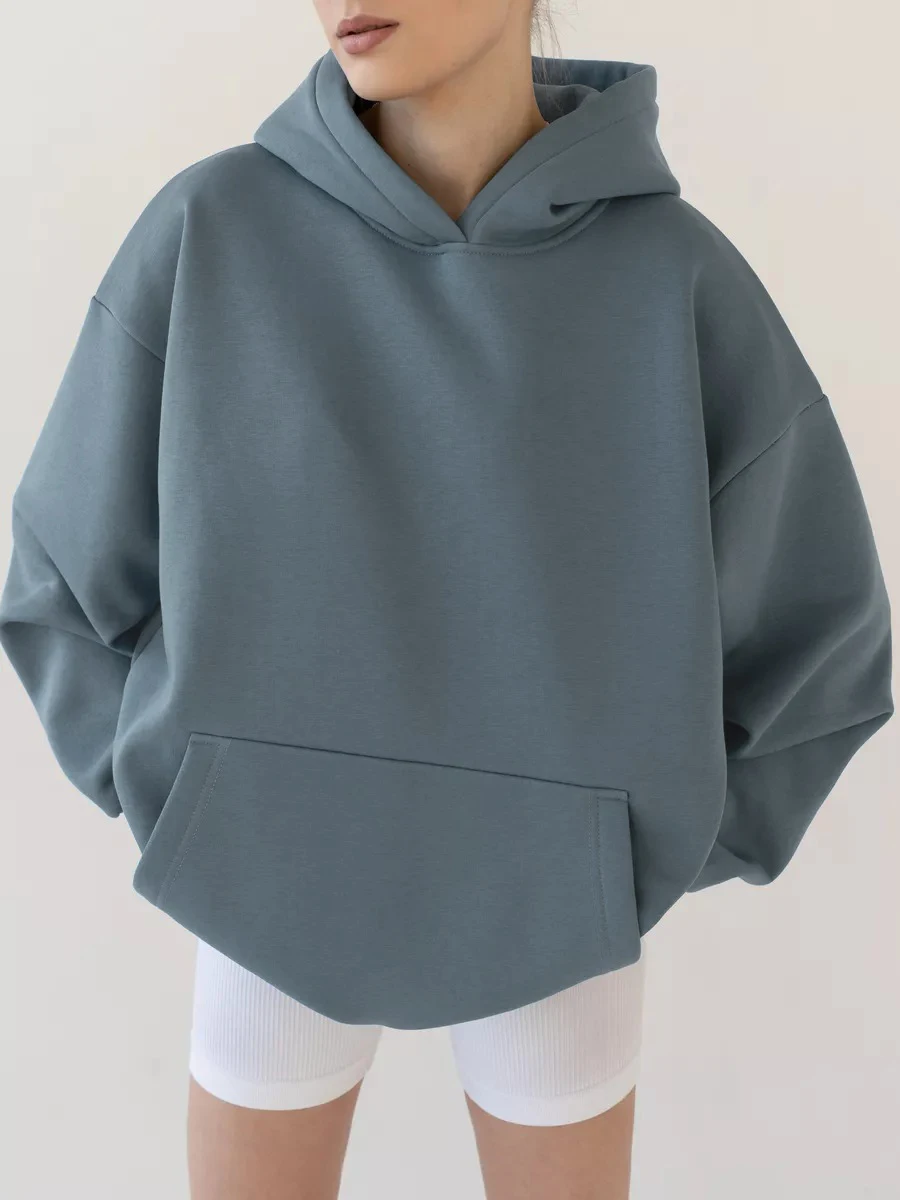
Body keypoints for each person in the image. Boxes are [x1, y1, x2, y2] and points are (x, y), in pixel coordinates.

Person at [0, 2, 893, 1198]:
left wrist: (626, 846)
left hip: (561, 933)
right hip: (264, 888)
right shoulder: (212, 230)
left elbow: (823, 646)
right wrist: (194, 802)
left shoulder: (676, 280)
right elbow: (59, 573)